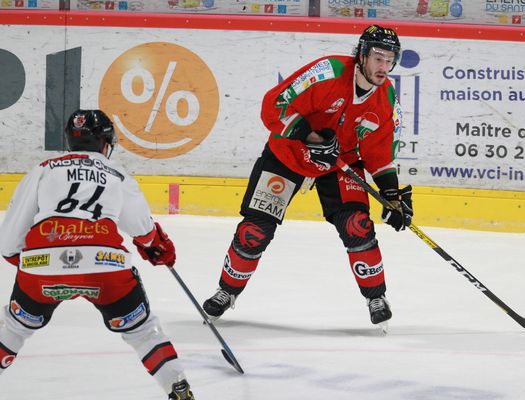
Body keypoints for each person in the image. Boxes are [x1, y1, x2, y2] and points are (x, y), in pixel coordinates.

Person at [202, 25, 413, 331]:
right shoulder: (327, 71)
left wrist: (392, 194)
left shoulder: (386, 98)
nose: (384, 67)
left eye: (389, 60)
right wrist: (310, 136)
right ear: (363, 55)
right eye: (378, 58)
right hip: (288, 153)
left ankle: (376, 297)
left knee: (358, 226)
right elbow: (273, 105)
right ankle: (226, 291)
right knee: (254, 231)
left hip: (338, 164)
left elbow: (379, 153)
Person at [0, 110, 195, 400]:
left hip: (42, 265)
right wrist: (155, 245)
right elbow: (142, 228)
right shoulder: (116, 172)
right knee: (142, 332)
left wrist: (31, 263)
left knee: (14, 328)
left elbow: (9, 241)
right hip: (105, 264)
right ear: (105, 143)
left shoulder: (45, 168)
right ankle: (177, 388)